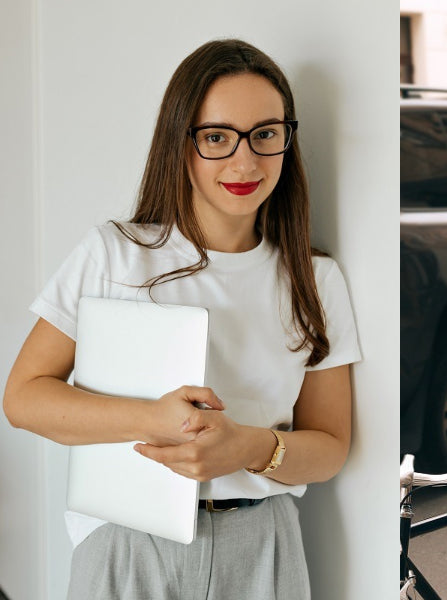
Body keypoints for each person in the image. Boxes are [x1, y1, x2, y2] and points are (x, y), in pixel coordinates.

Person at [2, 39, 360, 599]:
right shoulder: (115, 254)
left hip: (262, 545)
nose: (245, 162)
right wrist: (154, 420)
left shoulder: (316, 280)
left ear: (288, 140)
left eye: (265, 134)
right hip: (128, 541)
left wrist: (246, 447)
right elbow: (23, 398)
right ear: (180, 142)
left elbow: (332, 446)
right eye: (216, 137)